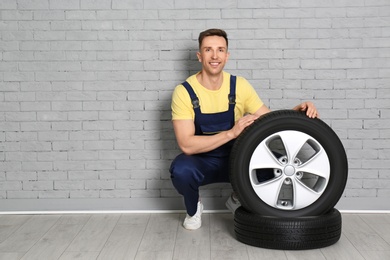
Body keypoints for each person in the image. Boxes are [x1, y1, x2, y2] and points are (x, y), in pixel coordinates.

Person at [169, 28, 318, 230]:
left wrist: (297, 112)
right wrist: (231, 133)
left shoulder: (239, 86)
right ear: (199, 56)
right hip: (202, 160)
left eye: (220, 50)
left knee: (275, 165)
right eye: (208, 50)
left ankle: (237, 198)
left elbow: (269, 121)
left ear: (227, 56)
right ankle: (193, 208)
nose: (214, 56)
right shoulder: (184, 92)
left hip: (237, 157)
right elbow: (186, 144)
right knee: (181, 170)